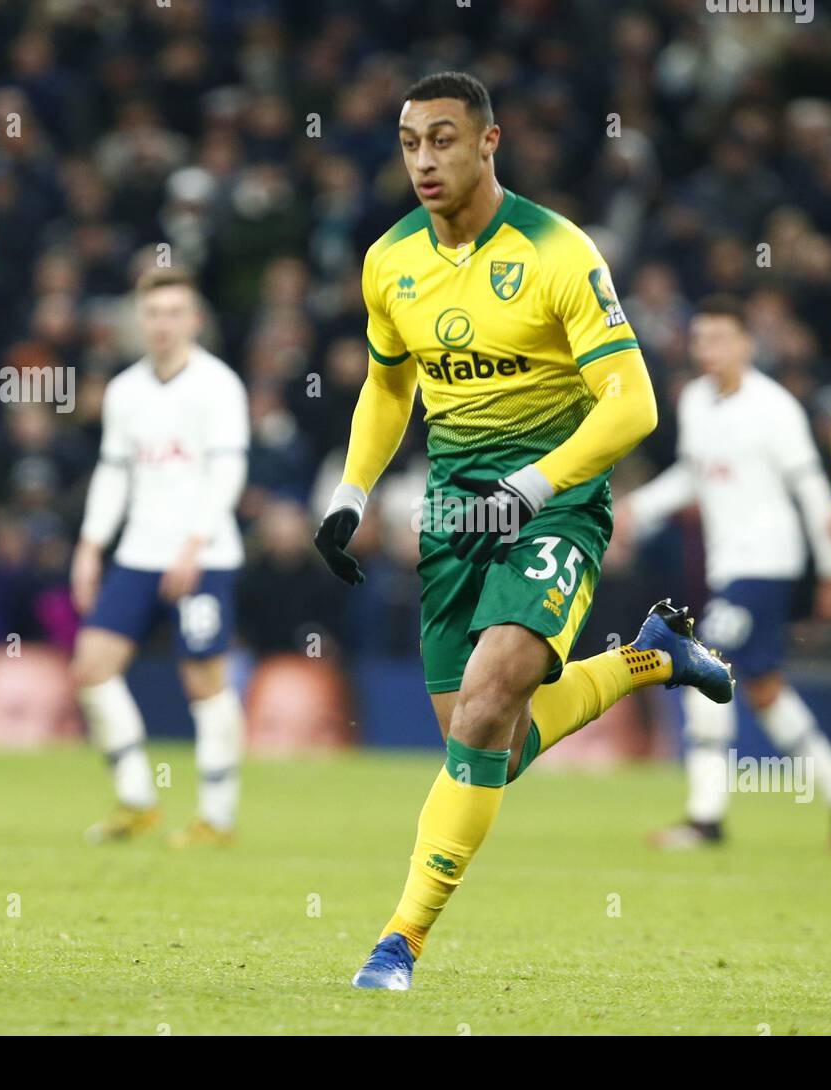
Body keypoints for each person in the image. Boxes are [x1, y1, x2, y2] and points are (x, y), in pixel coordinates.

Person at [312, 72, 733, 991]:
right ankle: (651, 658)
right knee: (484, 746)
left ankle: (399, 941)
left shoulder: (557, 249)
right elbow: (389, 387)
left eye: (445, 140)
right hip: (453, 510)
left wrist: (536, 486)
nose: (425, 159)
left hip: (556, 500)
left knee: (490, 695)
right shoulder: (389, 260)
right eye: (411, 142)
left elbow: (634, 406)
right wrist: (349, 492)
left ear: (490, 142)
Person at [622, 295, 831, 849]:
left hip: (765, 564)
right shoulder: (694, 402)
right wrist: (634, 511)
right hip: (729, 567)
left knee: (696, 668)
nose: (706, 348)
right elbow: (691, 477)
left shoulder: (775, 407)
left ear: (746, 345)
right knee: (764, 689)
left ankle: (705, 819)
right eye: (700, 338)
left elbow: (810, 488)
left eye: (718, 338)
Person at [69, 266, 249, 847]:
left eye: (174, 313)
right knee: (92, 667)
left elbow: (228, 471)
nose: (162, 324)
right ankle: (136, 799)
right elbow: (114, 474)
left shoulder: (219, 386)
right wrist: (91, 546)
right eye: (152, 313)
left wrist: (194, 545)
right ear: (138, 321)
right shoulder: (125, 391)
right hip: (138, 553)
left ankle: (217, 817)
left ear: (195, 320)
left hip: (204, 555)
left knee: (204, 680)